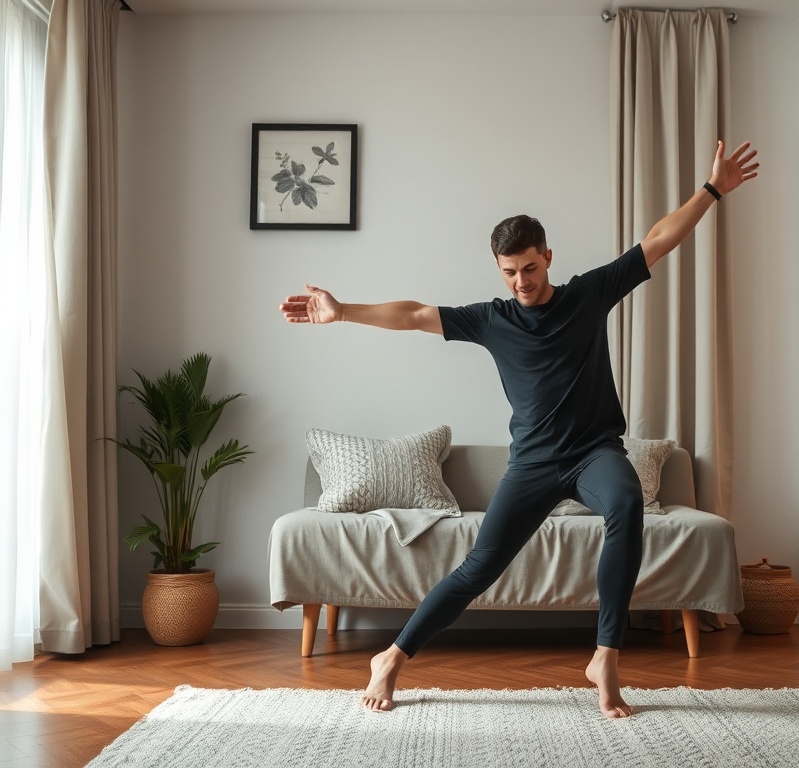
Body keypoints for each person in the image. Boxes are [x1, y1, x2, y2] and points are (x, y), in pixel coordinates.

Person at [279, 140, 759, 718]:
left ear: (548, 257)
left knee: (627, 501)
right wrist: (344, 311)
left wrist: (711, 191)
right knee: (479, 568)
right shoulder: (493, 319)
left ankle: (605, 655)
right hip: (532, 465)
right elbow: (413, 314)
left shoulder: (587, 295)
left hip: (594, 454)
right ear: (498, 269)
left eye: (530, 268)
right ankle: (392, 657)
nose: (521, 282)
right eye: (509, 272)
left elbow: (657, 240)